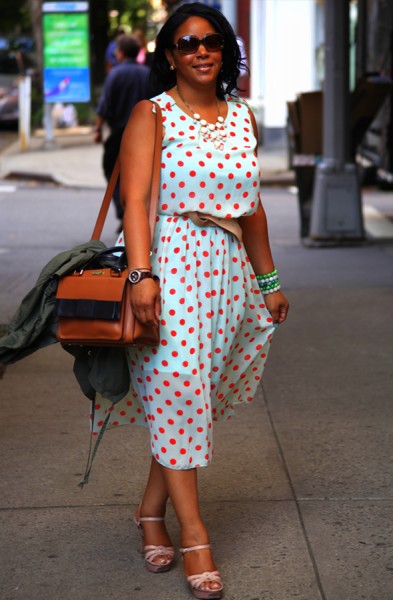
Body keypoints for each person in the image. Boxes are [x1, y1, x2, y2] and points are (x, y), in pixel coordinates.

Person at [93, 4, 289, 598]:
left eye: (212, 42)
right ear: (170, 54)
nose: (201, 50)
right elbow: (134, 202)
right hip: (170, 267)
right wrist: (140, 274)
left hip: (227, 275)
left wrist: (269, 280)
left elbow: (250, 205)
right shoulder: (150, 114)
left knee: (189, 400)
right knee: (179, 392)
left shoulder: (241, 117)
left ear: (226, 51)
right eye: (187, 42)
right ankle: (195, 534)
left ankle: (149, 514)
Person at [94, 34, 151, 227]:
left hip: (120, 134)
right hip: (146, 134)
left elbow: (105, 105)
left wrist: (98, 128)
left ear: (121, 53)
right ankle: (137, 210)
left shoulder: (115, 74)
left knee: (112, 171)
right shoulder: (146, 73)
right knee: (142, 174)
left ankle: (123, 210)